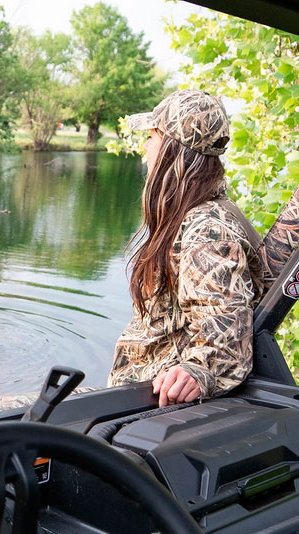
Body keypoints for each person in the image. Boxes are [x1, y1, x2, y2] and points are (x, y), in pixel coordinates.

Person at [107, 89, 265, 407]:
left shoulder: (207, 232)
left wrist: (196, 371)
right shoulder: (200, 213)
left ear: (170, 149)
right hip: (140, 395)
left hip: (152, 407)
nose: (145, 149)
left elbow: (225, 332)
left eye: (151, 137)